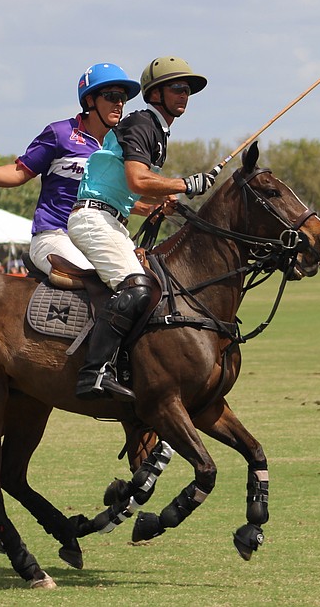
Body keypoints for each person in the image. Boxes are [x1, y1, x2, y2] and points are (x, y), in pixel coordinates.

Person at [68, 56, 218, 401]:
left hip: (111, 219)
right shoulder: (142, 123)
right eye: (177, 88)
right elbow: (137, 179)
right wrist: (183, 183)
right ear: (155, 94)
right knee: (137, 288)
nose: (184, 96)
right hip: (94, 219)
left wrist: (160, 200)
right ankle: (94, 373)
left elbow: (128, 186)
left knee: (157, 287)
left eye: (188, 91)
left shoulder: (156, 132)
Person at [0, 63, 141, 277]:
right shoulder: (60, 133)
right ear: (90, 100)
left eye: (123, 98)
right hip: (55, 236)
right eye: (111, 96)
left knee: (141, 281)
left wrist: (159, 204)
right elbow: (19, 173)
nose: (119, 104)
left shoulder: (119, 146)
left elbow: (111, 198)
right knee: (96, 277)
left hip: (98, 235)